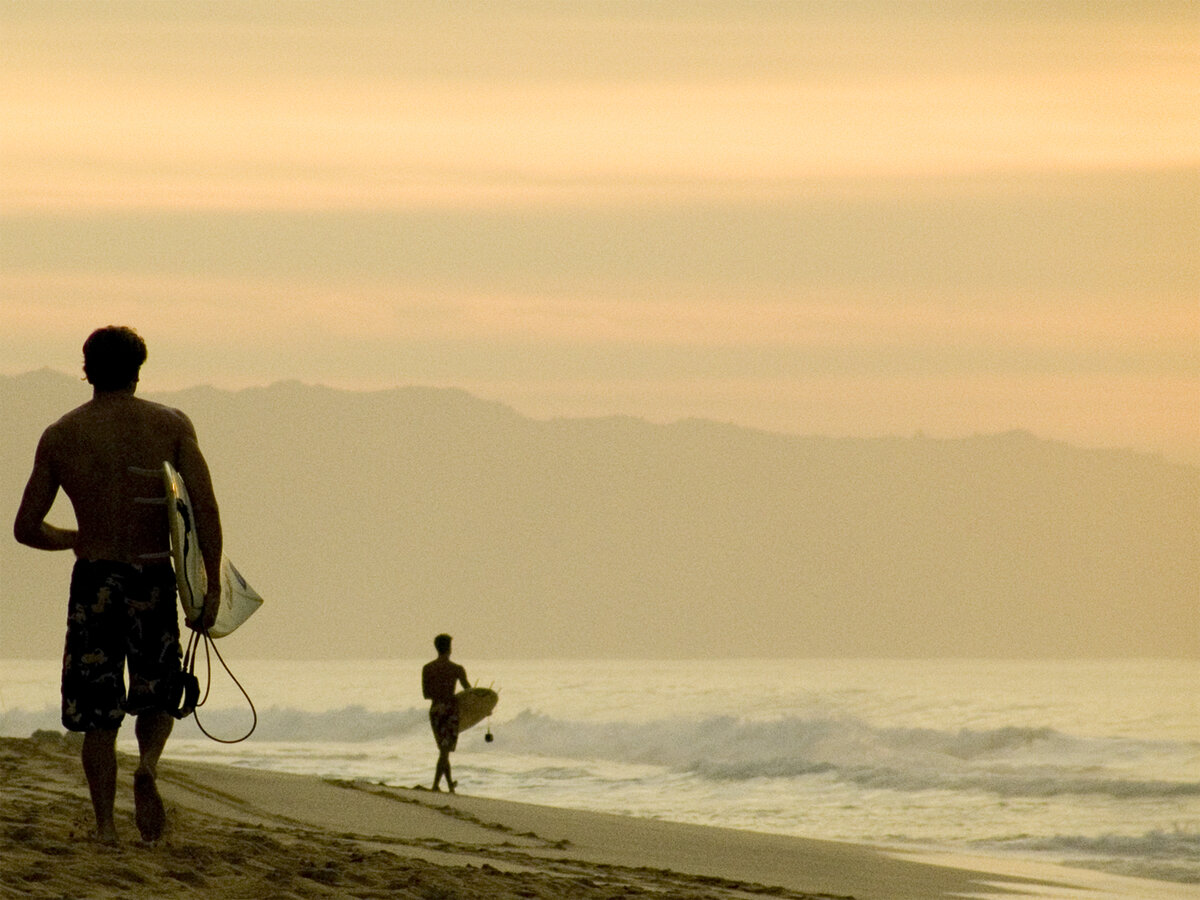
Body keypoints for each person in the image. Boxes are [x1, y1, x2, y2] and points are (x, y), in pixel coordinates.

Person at [12, 326, 222, 843]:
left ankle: (105, 826)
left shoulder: (61, 435)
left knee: (97, 712)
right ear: (139, 369)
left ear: (86, 369)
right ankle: (147, 764)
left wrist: (78, 537)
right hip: (152, 574)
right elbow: (205, 508)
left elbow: (26, 527)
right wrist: (211, 585)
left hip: (95, 581)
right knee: (158, 694)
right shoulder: (171, 426)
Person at [421, 633, 470, 792]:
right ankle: (435, 785)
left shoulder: (427, 668)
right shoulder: (457, 669)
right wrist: (483, 708)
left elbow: (426, 694)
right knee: (444, 751)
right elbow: (469, 692)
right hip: (450, 710)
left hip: (435, 710)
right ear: (449, 649)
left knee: (444, 750)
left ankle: (449, 785)